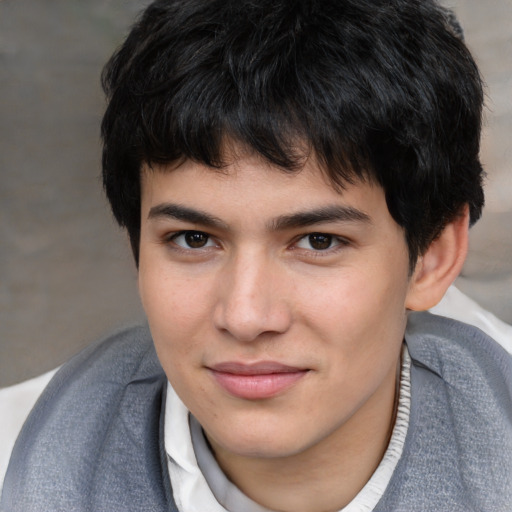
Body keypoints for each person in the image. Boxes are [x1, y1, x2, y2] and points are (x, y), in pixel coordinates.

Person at [1, 0, 511, 510]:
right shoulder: (14, 459)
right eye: (193, 239)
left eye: (318, 241)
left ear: (432, 257)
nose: (245, 316)